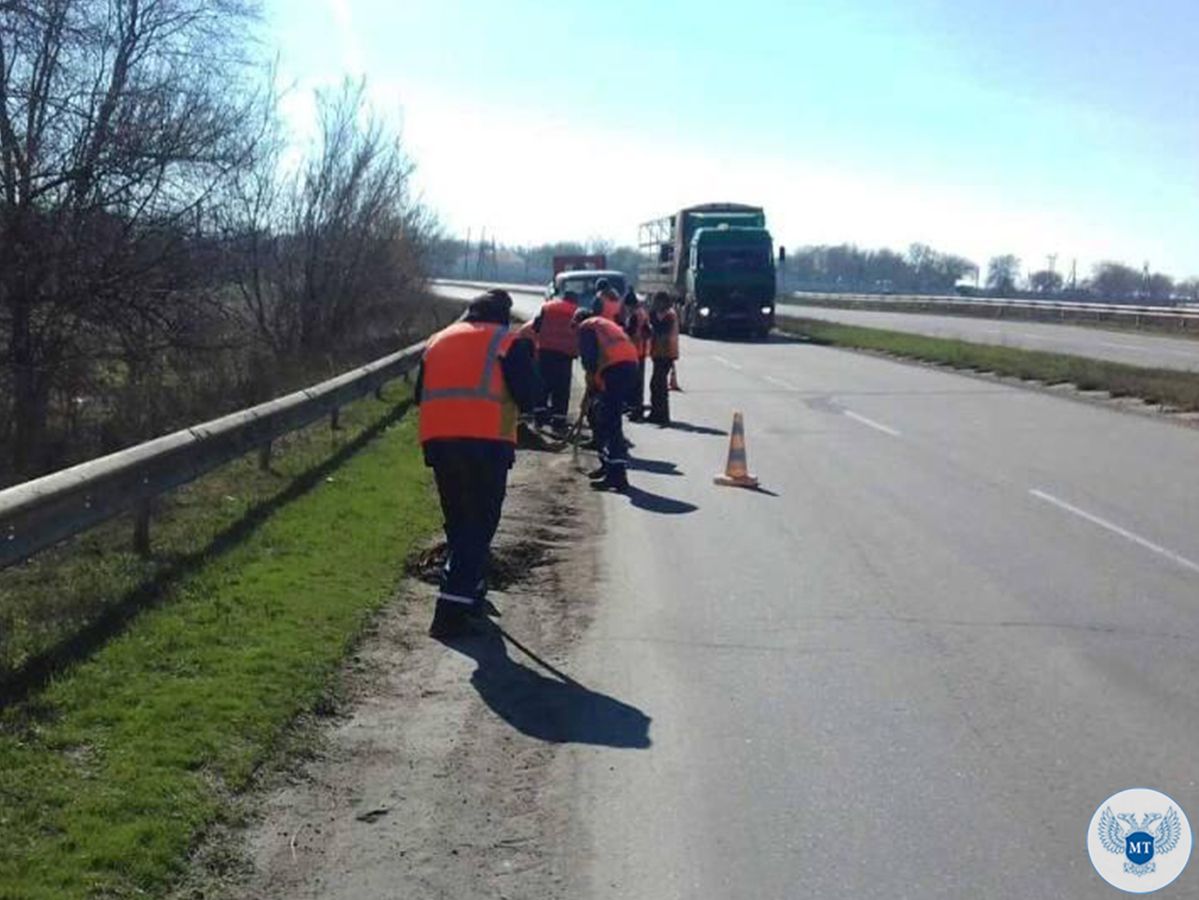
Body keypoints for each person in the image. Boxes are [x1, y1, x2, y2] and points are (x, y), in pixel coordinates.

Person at [415, 289, 541, 638]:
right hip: (487, 443)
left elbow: (418, 394)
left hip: (439, 442)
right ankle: (450, 609)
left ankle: (469, 591)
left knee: (458, 521)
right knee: (480, 524)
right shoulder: (506, 342)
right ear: (503, 315)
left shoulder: (437, 341)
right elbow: (529, 396)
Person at [576, 307, 639, 491]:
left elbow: (589, 360)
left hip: (615, 371)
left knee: (610, 422)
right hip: (629, 368)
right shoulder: (603, 325)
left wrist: (592, 383)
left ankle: (617, 476)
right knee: (603, 418)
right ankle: (607, 466)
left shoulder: (586, 327)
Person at [532, 289, 580, 432]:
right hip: (565, 355)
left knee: (542, 387)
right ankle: (558, 423)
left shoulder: (548, 307)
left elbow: (536, 326)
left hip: (545, 352)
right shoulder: (576, 311)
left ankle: (539, 420)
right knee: (561, 389)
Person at [648, 291, 679, 425]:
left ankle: (662, 416)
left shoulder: (668, 315)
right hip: (659, 353)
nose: (654, 304)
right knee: (655, 385)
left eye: (656, 301)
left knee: (659, 385)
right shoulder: (662, 314)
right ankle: (656, 413)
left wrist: (652, 320)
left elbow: (661, 331)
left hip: (665, 354)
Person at [623, 288, 651, 421]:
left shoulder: (634, 315)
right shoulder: (642, 313)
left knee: (634, 384)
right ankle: (636, 409)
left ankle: (636, 411)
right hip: (641, 351)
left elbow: (630, 333)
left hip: (634, 351)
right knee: (638, 383)